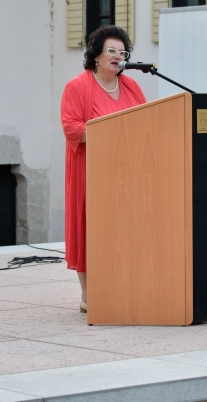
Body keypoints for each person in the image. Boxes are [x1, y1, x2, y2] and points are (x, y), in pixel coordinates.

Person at [60, 25, 146, 312]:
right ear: (96, 54)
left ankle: (126, 287)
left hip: (128, 172)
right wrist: (114, 133)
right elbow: (72, 128)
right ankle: (90, 295)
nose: (118, 56)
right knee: (91, 229)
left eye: (122, 52)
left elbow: (146, 122)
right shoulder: (77, 87)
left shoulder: (131, 86)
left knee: (127, 229)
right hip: (92, 173)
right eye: (111, 50)